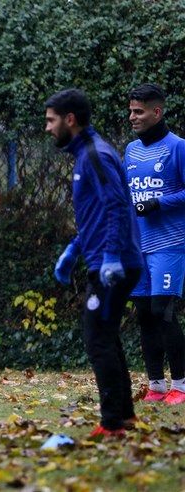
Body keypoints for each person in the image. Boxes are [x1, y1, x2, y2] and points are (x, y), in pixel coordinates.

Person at [46, 88, 142, 438]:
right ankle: (124, 416)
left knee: (97, 338)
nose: (47, 128)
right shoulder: (86, 154)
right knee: (106, 336)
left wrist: (113, 255)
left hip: (113, 264)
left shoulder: (95, 155)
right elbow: (95, 216)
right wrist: (73, 250)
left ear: (70, 120)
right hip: (102, 258)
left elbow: (117, 205)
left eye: (51, 120)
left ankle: (113, 423)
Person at [123, 83, 185, 405]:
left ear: (156, 112)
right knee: (145, 313)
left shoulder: (178, 148)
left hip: (170, 244)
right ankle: (157, 385)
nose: (132, 116)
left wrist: (159, 203)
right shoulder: (131, 150)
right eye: (131, 110)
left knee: (163, 311)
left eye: (139, 111)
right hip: (139, 245)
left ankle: (181, 385)